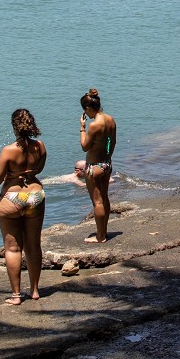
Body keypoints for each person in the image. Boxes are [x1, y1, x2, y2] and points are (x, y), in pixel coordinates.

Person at [0, 108, 46, 305]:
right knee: (33, 245)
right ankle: (35, 290)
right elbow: (37, 169)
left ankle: (16, 296)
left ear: (15, 126)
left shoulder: (8, 150)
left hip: (13, 197)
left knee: (13, 248)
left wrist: (10, 175)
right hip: (35, 195)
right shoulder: (40, 146)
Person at [76, 88, 116, 243]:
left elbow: (84, 146)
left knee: (97, 202)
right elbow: (112, 142)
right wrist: (108, 158)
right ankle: (103, 232)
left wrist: (82, 128)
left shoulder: (94, 126)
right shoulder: (110, 120)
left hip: (94, 167)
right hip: (107, 164)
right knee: (105, 198)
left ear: (88, 109)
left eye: (86, 112)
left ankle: (100, 237)